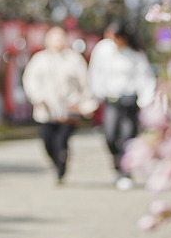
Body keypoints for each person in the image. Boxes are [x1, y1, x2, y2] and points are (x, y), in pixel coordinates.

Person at [21, 25, 98, 184]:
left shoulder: (74, 59)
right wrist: (38, 97)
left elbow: (85, 83)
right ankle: (56, 163)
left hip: (69, 109)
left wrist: (87, 104)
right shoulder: (39, 59)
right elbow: (30, 81)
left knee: (61, 141)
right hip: (46, 110)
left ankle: (61, 169)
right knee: (48, 141)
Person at [87, 21, 157, 189]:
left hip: (130, 100)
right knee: (110, 135)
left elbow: (145, 76)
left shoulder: (135, 53)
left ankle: (126, 172)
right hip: (111, 99)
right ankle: (118, 162)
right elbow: (96, 72)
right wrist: (96, 94)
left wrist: (145, 99)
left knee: (128, 136)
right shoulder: (103, 49)